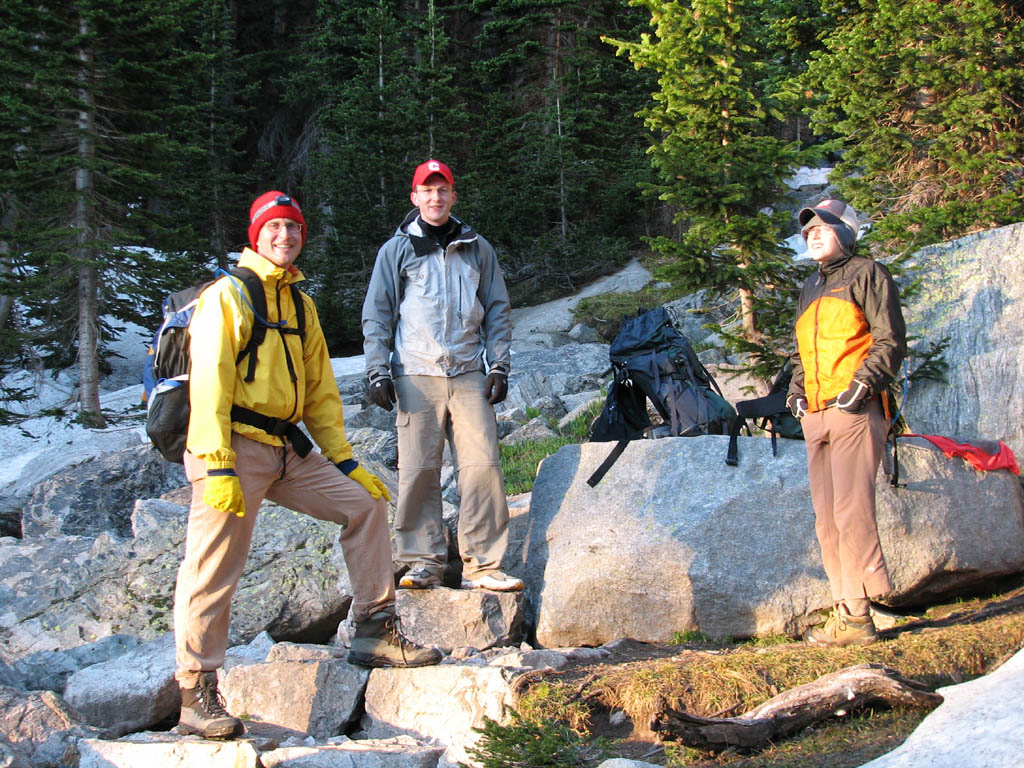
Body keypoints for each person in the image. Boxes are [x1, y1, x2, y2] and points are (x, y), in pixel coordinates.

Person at [173, 190, 441, 740]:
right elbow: (211, 383)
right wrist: (218, 464)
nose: (285, 237)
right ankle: (196, 690)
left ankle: (372, 630)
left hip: (287, 450)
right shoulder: (227, 296)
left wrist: (343, 461)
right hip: (230, 447)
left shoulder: (300, 305)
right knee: (214, 565)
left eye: (293, 228)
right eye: (274, 227)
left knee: (364, 505)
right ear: (256, 234)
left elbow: (319, 391)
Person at [362, 160, 523, 593]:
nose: (435, 198)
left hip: (470, 372)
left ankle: (484, 565)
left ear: (454, 196)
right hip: (415, 374)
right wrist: (378, 371)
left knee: (483, 466)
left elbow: (497, 309)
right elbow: (377, 315)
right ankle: (422, 561)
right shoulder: (395, 250)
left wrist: (500, 364)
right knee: (418, 470)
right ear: (414, 198)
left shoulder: (477, 247)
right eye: (426, 191)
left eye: (443, 190)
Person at [786, 199, 907, 647]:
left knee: (851, 510)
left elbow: (890, 340)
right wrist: (797, 394)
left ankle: (860, 613)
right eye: (808, 230)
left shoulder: (868, 273)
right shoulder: (809, 287)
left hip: (853, 409)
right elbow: (801, 352)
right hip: (815, 414)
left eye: (823, 227)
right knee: (826, 519)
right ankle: (845, 610)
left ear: (847, 233)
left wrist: (861, 387)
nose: (813, 234)